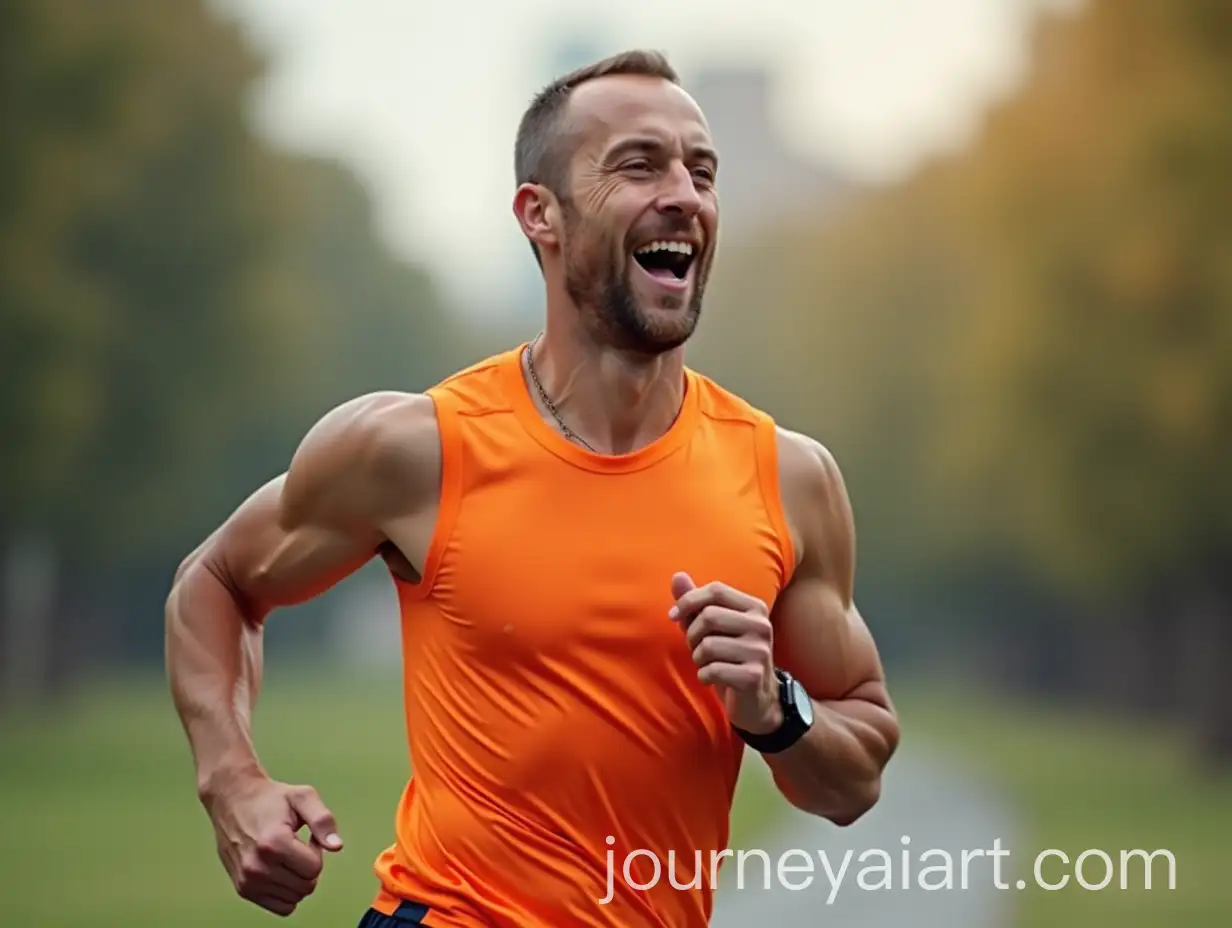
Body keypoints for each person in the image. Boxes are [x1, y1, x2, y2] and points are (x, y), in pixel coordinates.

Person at [165, 48, 900, 928]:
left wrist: (774, 707)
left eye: (702, 170)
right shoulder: (416, 448)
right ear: (539, 214)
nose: (685, 193)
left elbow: (856, 777)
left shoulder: (790, 478)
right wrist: (231, 780)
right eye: (639, 164)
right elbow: (215, 582)